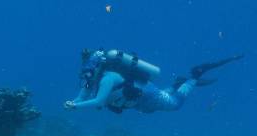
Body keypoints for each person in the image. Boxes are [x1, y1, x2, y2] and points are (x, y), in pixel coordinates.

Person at [64, 49, 243, 114]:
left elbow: (99, 101)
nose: (87, 76)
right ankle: (177, 83)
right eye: (86, 72)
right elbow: (81, 97)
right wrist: (73, 102)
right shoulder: (93, 81)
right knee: (160, 102)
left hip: (148, 94)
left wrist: (75, 107)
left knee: (175, 104)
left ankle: (194, 77)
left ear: (96, 68)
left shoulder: (108, 78)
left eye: (89, 72)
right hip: (138, 103)